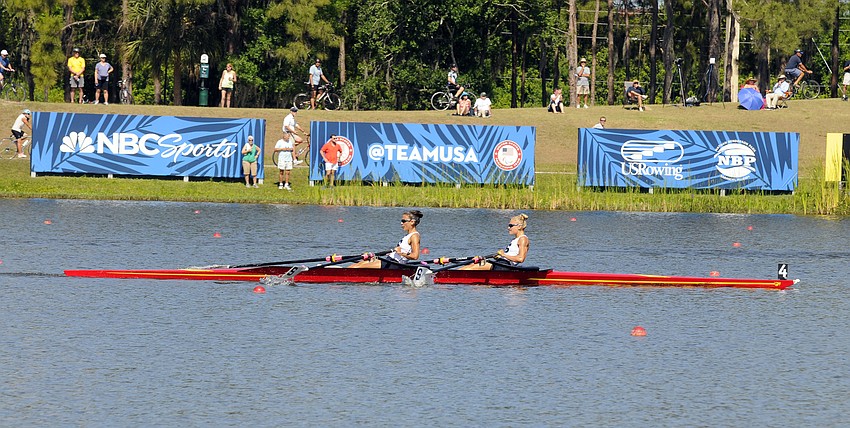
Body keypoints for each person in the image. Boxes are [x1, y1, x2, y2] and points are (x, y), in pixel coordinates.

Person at [350, 210, 423, 269]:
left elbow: (415, 256)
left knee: (357, 267)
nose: (401, 223)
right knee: (360, 263)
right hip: (389, 260)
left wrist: (401, 253)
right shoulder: (408, 235)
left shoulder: (414, 236)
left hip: (394, 264)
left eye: (403, 221)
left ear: (412, 222)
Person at [460, 213, 529, 271]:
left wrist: (503, 255)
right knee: (471, 265)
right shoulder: (515, 239)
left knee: (469, 268)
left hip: (505, 265)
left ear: (519, 227)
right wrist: (499, 256)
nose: (508, 228)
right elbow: (511, 255)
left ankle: (451, 277)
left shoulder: (523, 239)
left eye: (511, 225)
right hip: (501, 263)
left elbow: (521, 259)